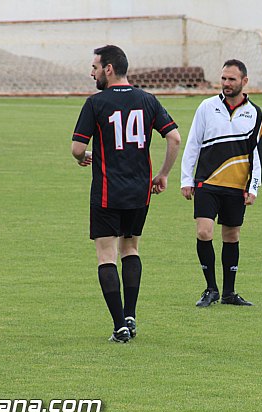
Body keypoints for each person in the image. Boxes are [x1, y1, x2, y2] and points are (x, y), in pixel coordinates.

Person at [71, 45, 181, 342]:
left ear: (108, 68)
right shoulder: (147, 100)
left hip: (107, 192)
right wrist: (163, 174)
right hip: (139, 192)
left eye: (94, 66)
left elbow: (77, 149)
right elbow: (174, 137)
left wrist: (82, 157)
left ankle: (120, 325)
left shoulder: (96, 103)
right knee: (130, 249)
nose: (91, 72)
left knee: (106, 257)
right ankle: (130, 315)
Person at [180, 59, 262, 307]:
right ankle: (211, 289)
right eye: (224, 78)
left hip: (237, 185)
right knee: (204, 231)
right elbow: (193, 143)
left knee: (231, 235)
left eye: (232, 79)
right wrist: (187, 178)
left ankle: (229, 293)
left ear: (244, 81)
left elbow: (257, 154)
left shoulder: (255, 113)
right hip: (206, 182)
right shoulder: (207, 107)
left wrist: (253, 187)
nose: (226, 84)